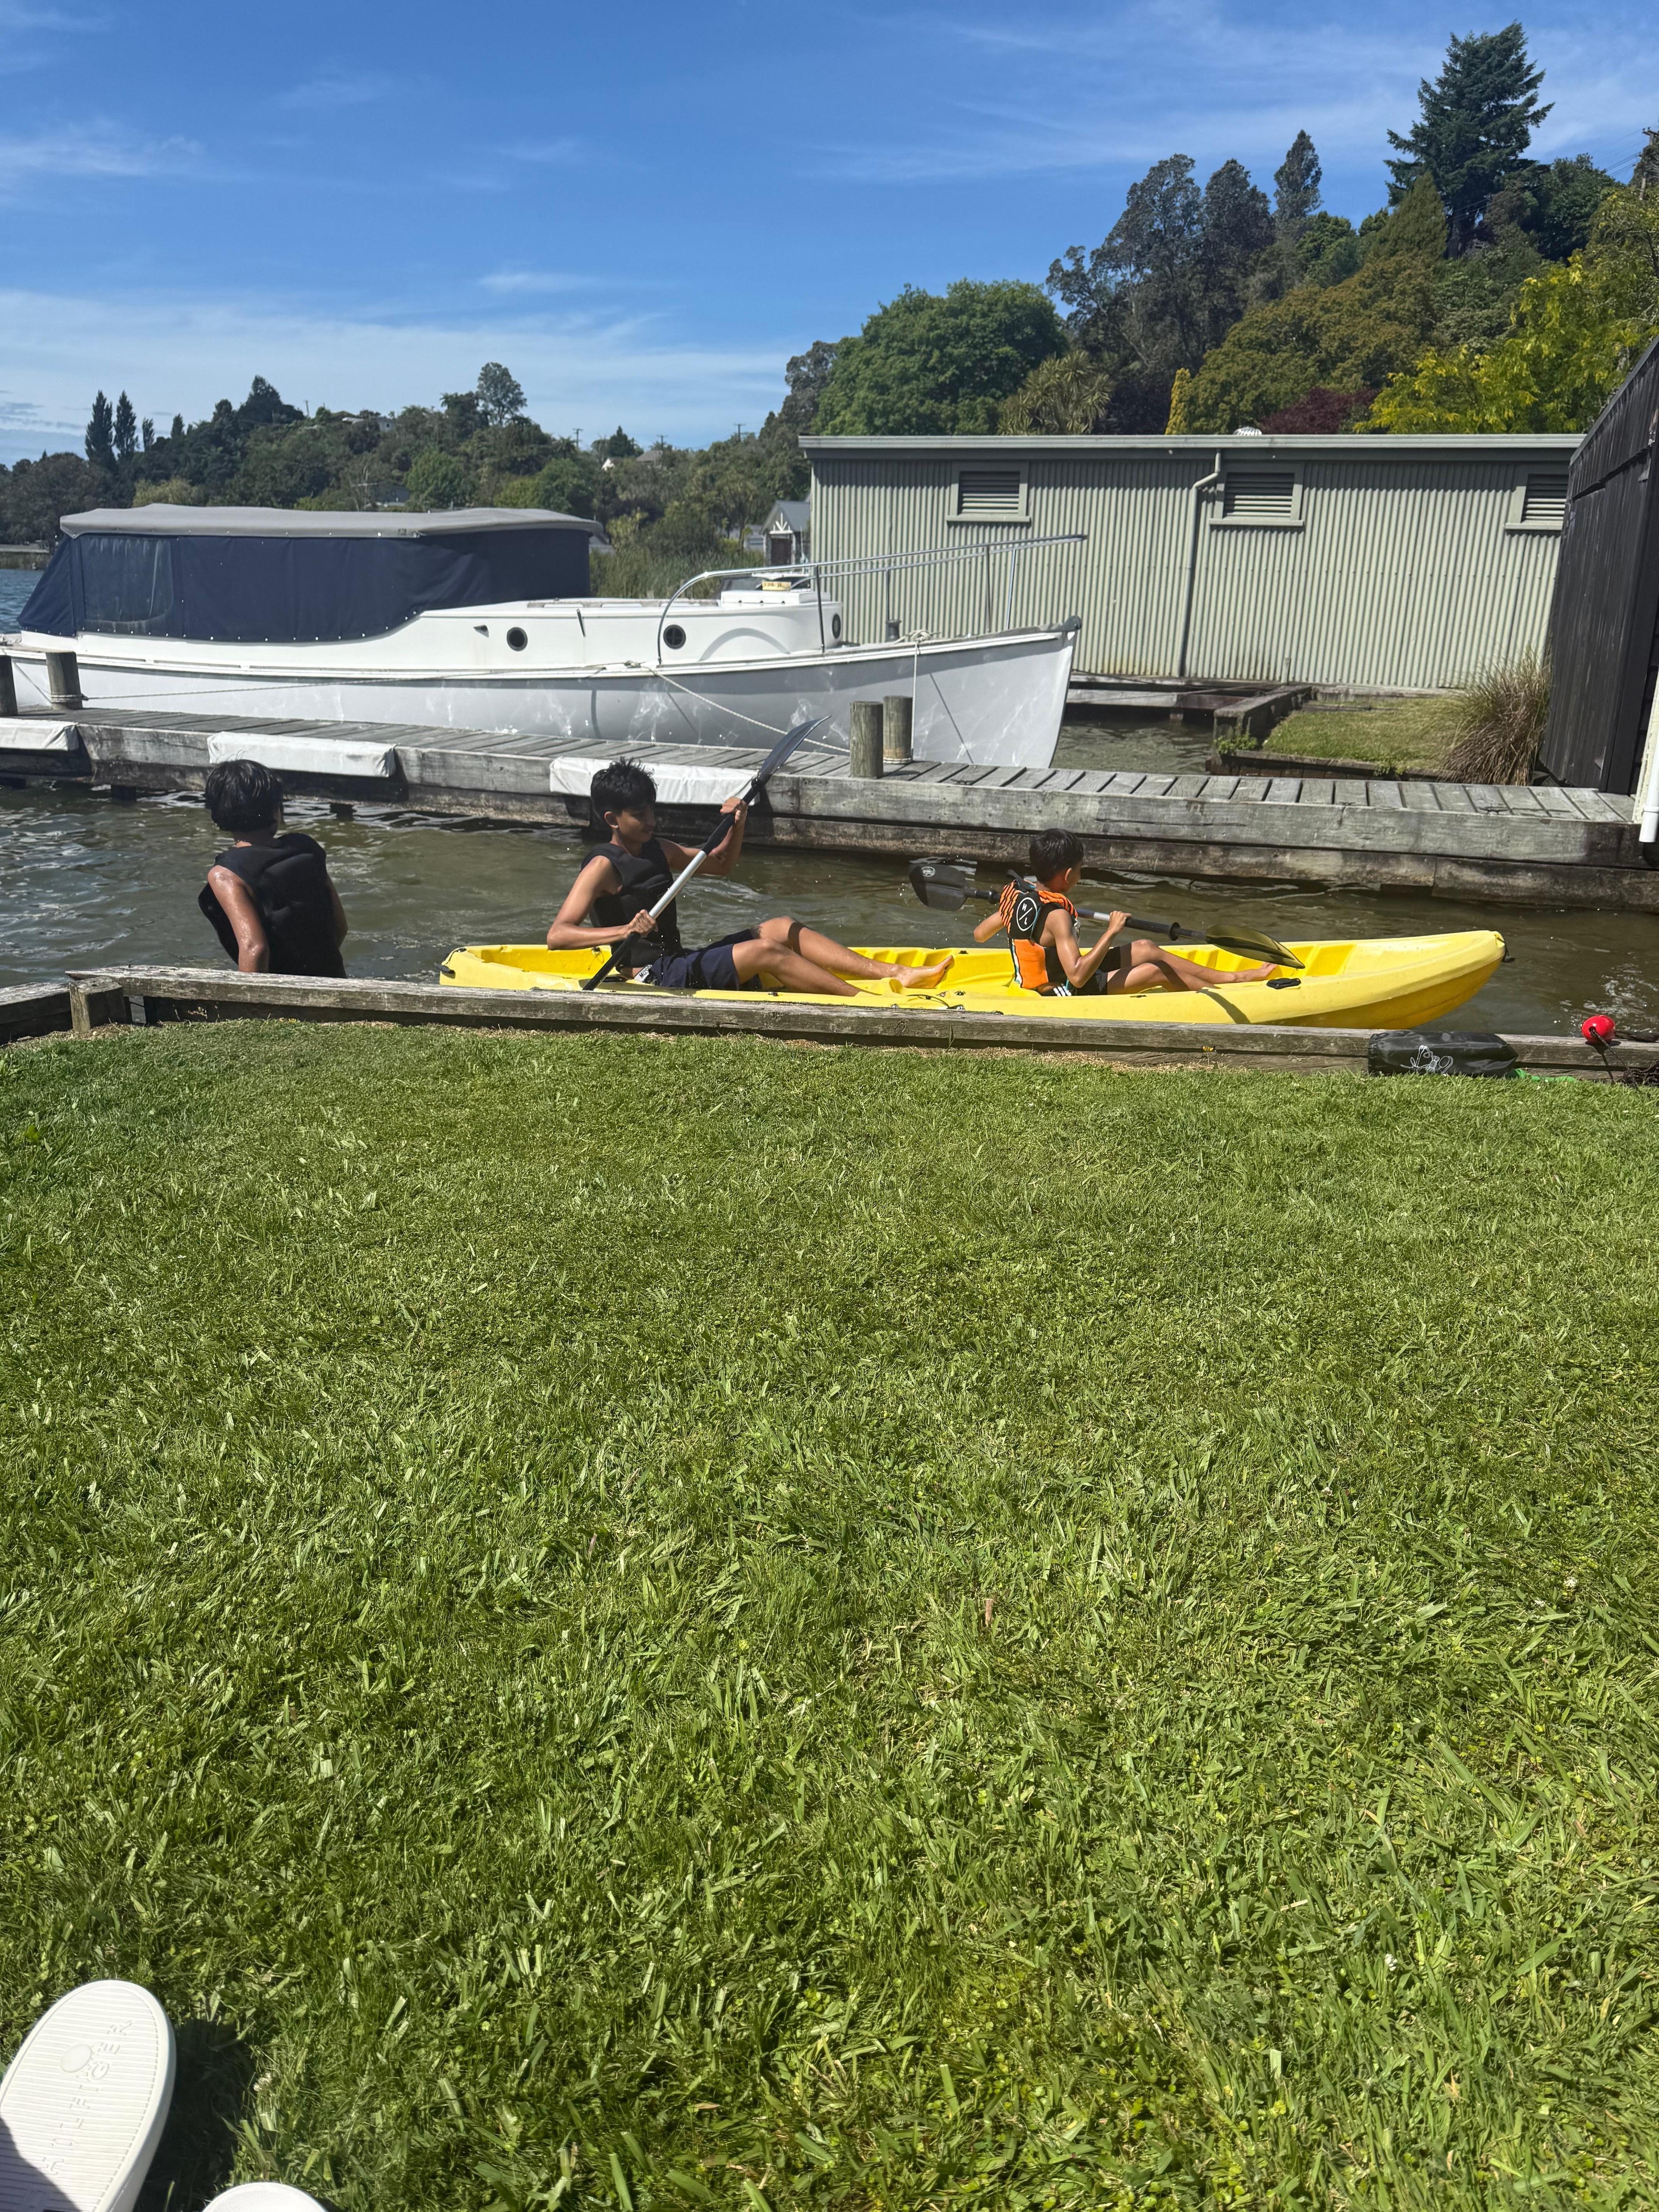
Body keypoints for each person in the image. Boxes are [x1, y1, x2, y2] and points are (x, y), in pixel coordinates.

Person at [548, 758, 953, 997]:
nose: (652, 820)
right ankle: (865, 1003)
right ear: (611, 820)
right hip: (651, 978)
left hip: (678, 962)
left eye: (652, 811)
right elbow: (558, 936)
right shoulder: (603, 866)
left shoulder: (660, 848)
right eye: (640, 815)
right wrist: (622, 931)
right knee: (763, 952)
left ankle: (895, 974)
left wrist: (737, 824)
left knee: (778, 928)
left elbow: (722, 864)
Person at [973, 828, 1278, 996]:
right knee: (1154, 972)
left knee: (1146, 948)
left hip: (1051, 976)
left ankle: (1234, 978)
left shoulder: (1018, 892)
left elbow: (981, 934)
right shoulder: (1058, 915)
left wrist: (1027, 918)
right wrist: (1111, 932)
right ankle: (1227, 997)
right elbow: (1078, 977)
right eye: (1079, 871)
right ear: (1067, 875)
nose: (1080, 877)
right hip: (1058, 992)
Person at [198, 759, 349, 977]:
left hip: (282, 994)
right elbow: (340, 927)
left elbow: (254, 948)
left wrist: (251, 1008)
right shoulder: (307, 849)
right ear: (275, 810)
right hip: (334, 980)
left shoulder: (227, 874)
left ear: (219, 813)